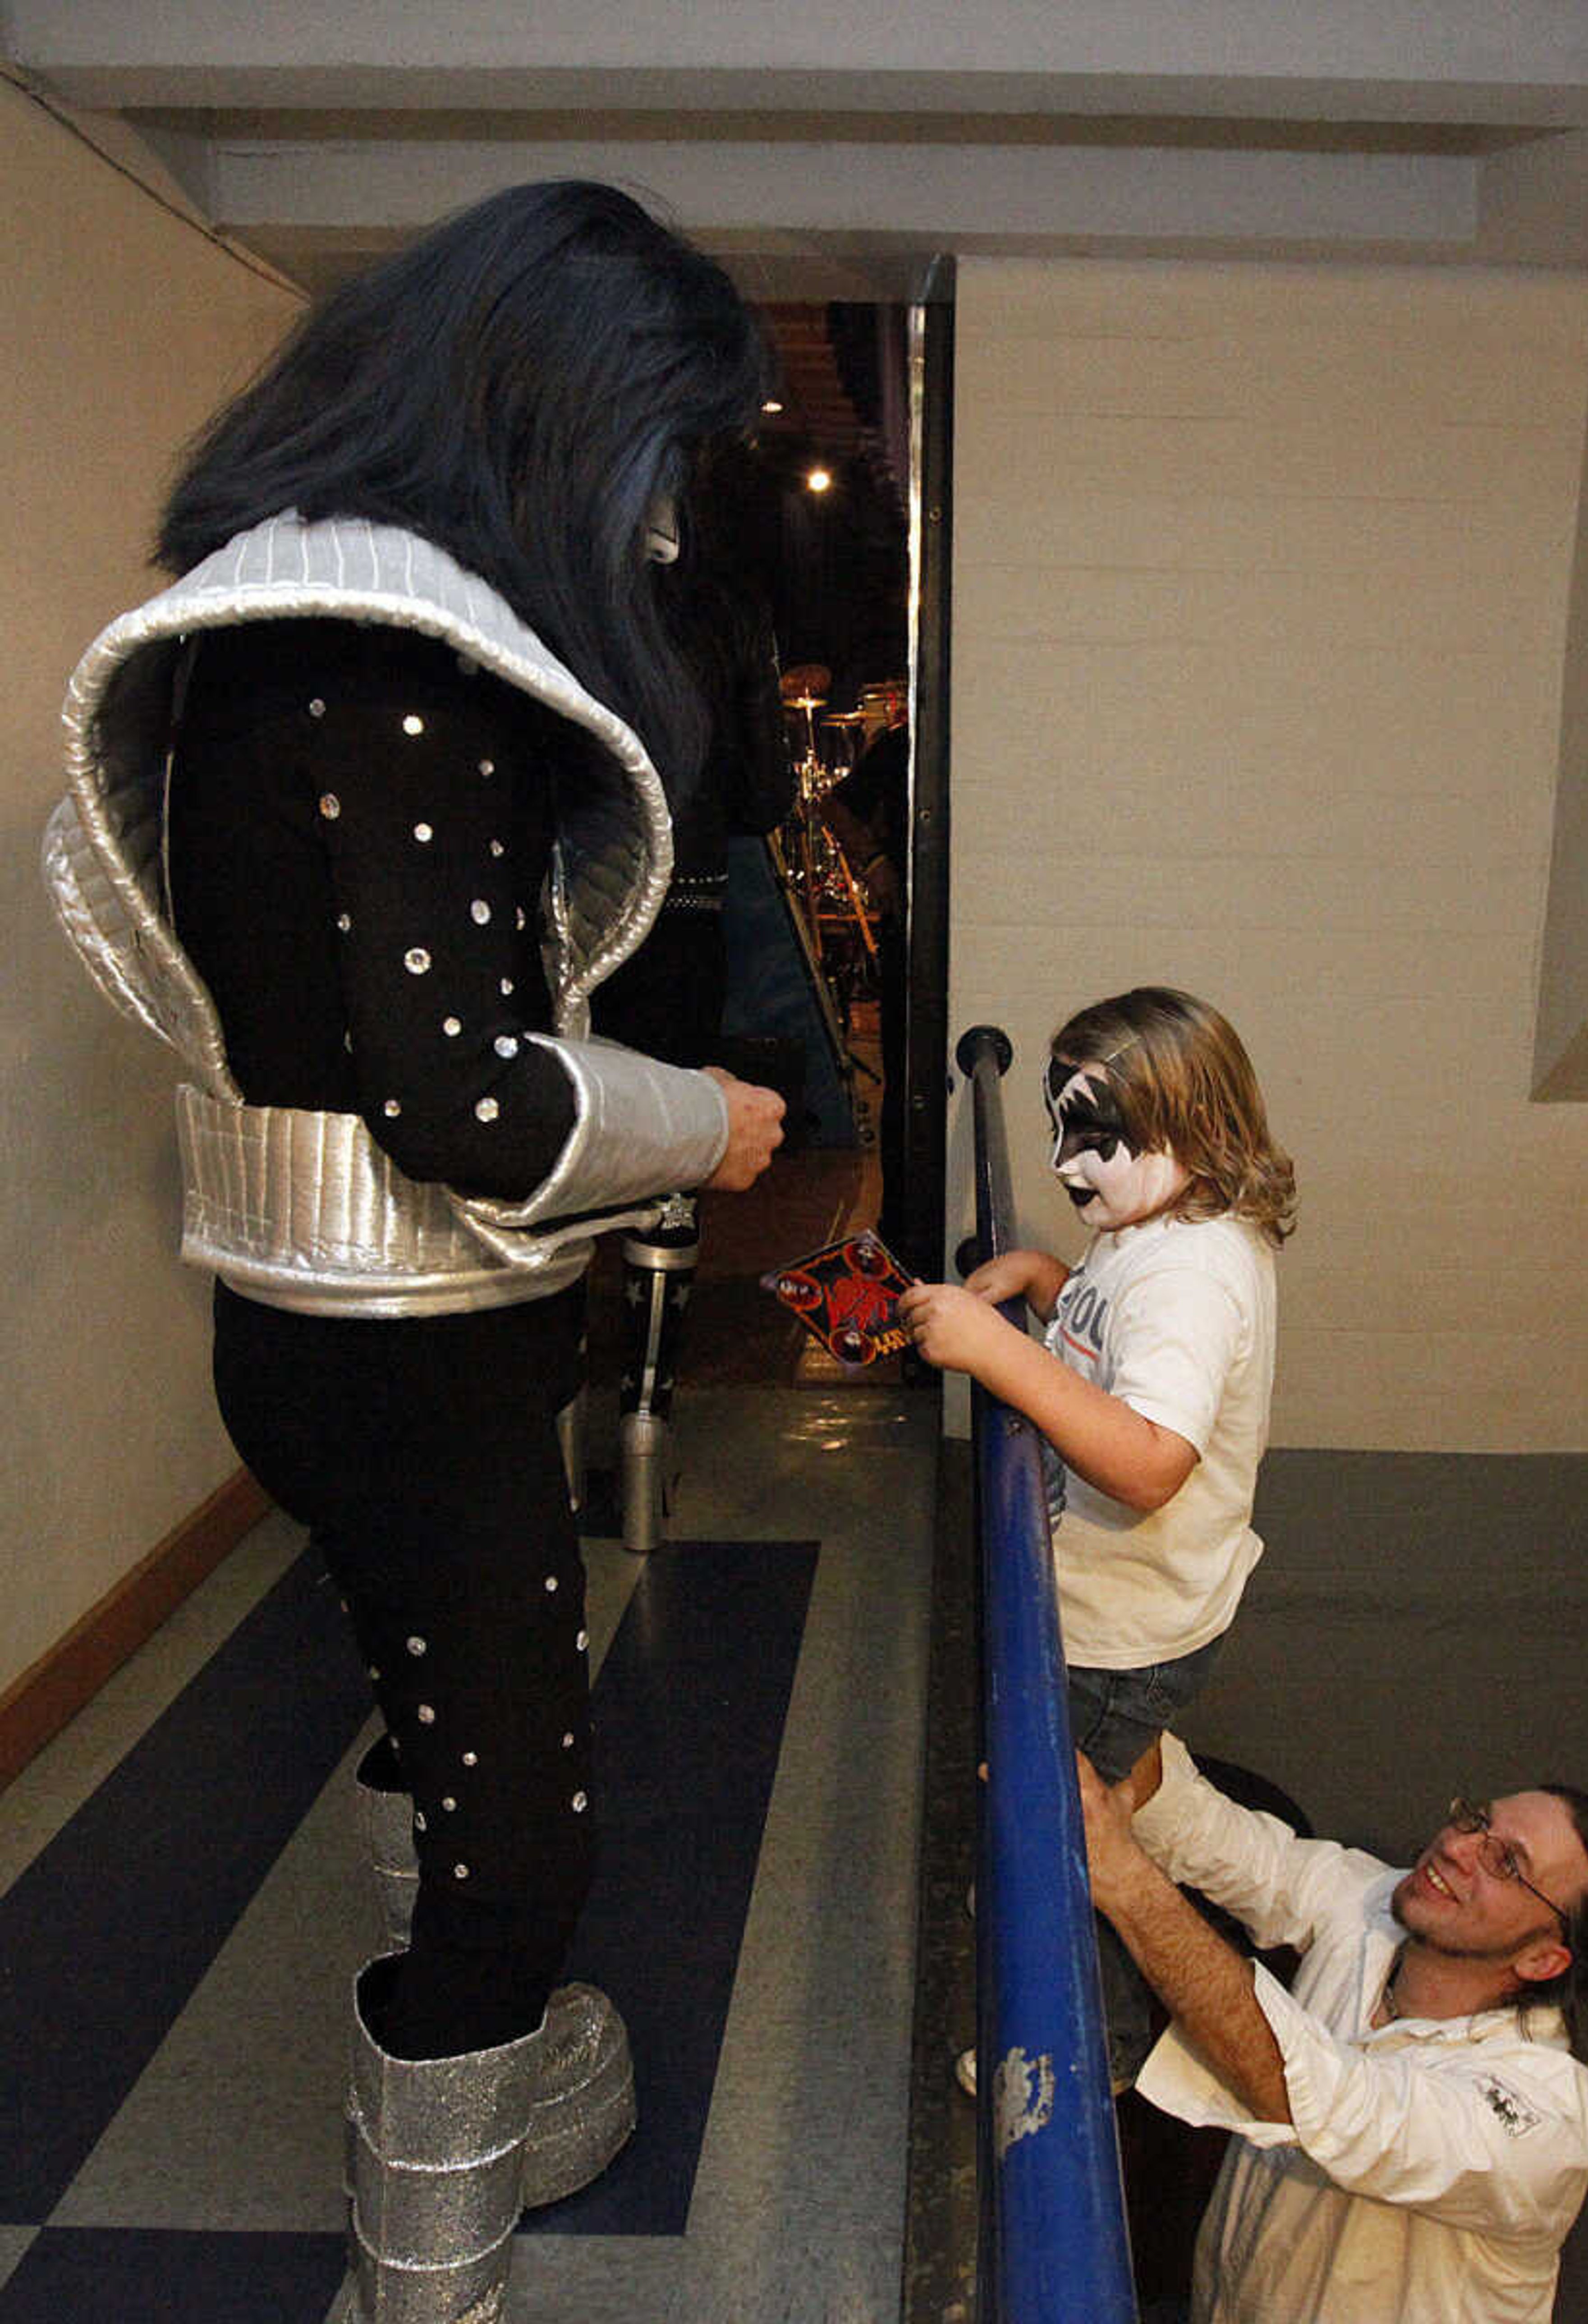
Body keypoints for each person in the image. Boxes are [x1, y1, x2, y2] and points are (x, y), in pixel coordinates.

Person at [43, 179, 784, 2323]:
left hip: (296, 1329)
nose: (662, 515)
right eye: (662, 452)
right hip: (416, 1343)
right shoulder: (395, 656)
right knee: (522, 1829)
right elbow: (465, 1099)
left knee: (433, 1718)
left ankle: (519, 2082)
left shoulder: (269, 628)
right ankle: (426, 2264)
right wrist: (703, 1127)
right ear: (564, 412)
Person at [898, 986, 1294, 2087]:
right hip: (1116, 1606)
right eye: (1057, 1128)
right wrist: (1043, 1285)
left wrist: (997, 1352)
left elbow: (1149, 1462)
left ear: (1194, 1133)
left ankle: (1094, 2051)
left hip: (1123, 1641)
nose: (1068, 1164)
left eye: (1094, 1138)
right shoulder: (1148, 1227)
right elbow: (1114, 1344)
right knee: (1053, 1799)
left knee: (1058, 1827)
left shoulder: (1191, 1274)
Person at [1078, 1737, 1588, 2323]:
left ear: (1542, 1962)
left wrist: (1125, 1880)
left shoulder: (1540, 2118)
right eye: (1478, 1821)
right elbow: (1196, 1823)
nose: (1459, 1847)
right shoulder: (1374, 1903)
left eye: (1508, 1864)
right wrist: (1111, 1707)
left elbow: (1311, 2093)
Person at [587, 524, 795, 1548]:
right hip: (683, 910)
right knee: (672, 1149)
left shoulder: (550, 566)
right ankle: (644, 1415)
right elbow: (766, 795)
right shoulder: (723, 600)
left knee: (538, 1140)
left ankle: (531, 1416)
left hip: (560, 911)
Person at [821, 679, 909, 1248]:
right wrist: (877, 865)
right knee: (904, 1075)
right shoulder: (900, 747)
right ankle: (899, 1219)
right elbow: (833, 804)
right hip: (910, 924)